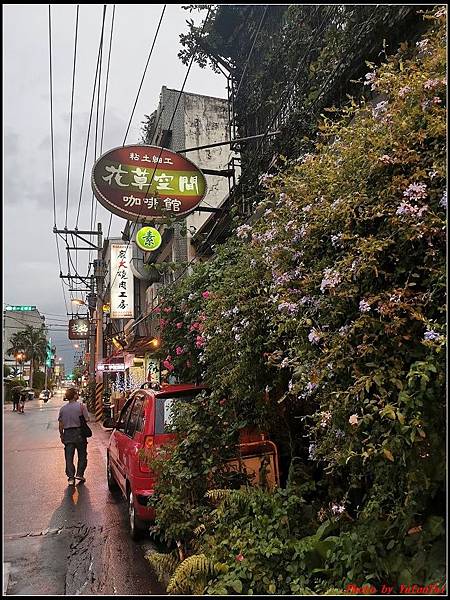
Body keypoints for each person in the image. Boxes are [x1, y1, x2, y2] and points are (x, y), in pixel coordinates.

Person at [58, 387, 90, 486]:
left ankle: (71, 477)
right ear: (75, 395)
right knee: (82, 455)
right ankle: (79, 474)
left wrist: (62, 435)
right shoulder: (81, 406)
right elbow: (87, 419)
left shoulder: (63, 409)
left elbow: (60, 425)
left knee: (69, 457)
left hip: (67, 434)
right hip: (79, 433)